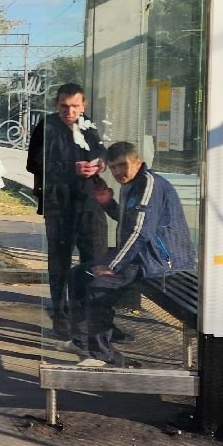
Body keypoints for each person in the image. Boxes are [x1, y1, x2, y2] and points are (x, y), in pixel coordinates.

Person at [73, 142, 195, 366]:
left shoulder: (149, 184)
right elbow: (130, 224)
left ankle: (102, 355)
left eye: (122, 165)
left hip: (158, 260)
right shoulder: (131, 184)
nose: (118, 172)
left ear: (138, 162)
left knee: (98, 287)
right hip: (140, 254)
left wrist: (114, 266)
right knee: (79, 275)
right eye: (113, 168)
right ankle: (82, 339)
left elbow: (140, 232)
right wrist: (108, 204)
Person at [26, 83, 107, 340]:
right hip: (59, 205)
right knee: (59, 263)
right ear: (56, 105)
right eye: (64, 106)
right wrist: (71, 168)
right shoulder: (46, 126)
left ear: (84, 105)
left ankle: (92, 320)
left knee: (95, 261)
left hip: (89, 205)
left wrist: (101, 163)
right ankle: (60, 316)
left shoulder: (89, 126)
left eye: (75, 106)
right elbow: (33, 163)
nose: (70, 111)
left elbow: (100, 150)